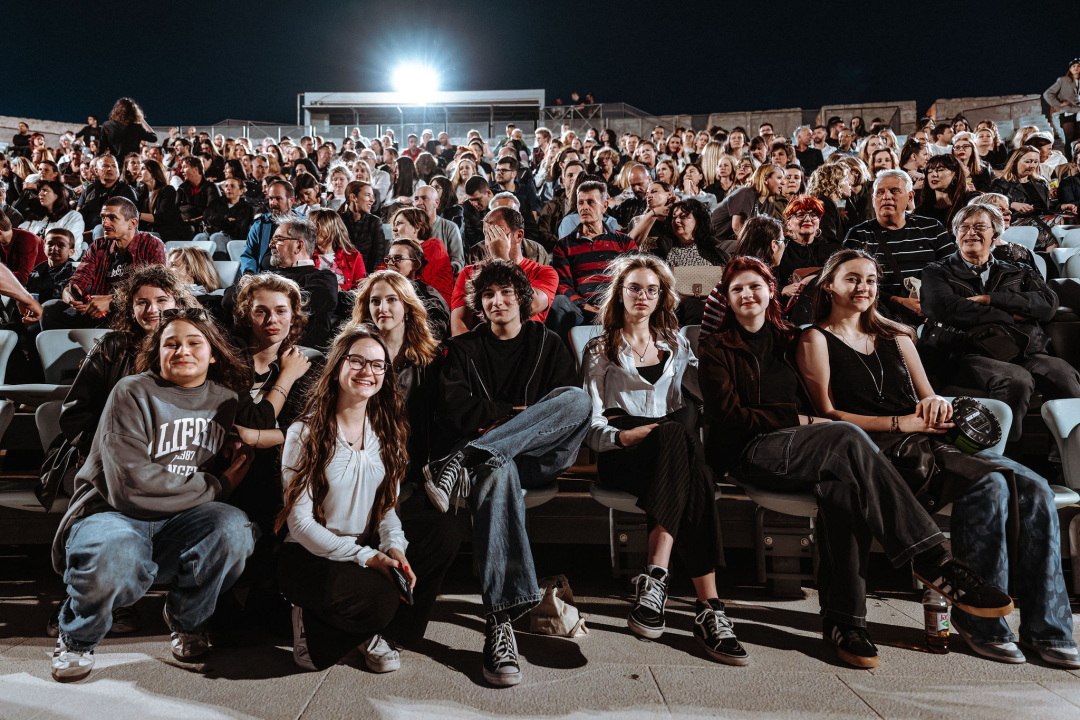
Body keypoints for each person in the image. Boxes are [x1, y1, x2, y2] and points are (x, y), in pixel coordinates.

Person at [697, 255, 1010, 668]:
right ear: (727, 298)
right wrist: (798, 418)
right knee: (845, 436)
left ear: (771, 291)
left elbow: (818, 403)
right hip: (751, 452)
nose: (747, 294)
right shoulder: (716, 347)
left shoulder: (790, 339)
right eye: (737, 289)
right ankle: (932, 559)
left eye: (755, 286)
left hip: (806, 445)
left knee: (841, 487)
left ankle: (845, 622)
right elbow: (732, 419)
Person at [799, 249, 1078, 669]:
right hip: (876, 451)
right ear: (829, 286)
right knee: (991, 484)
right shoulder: (814, 338)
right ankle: (981, 625)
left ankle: (1048, 630)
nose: (864, 288)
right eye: (853, 279)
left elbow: (929, 396)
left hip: (929, 441)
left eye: (871, 280)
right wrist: (901, 423)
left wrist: (934, 409)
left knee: (1035, 488)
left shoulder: (897, 335)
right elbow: (829, 414)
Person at [49, 308, 259, 681]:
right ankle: (77, 639)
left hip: (180, 518)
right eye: (171, 344)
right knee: (115, 551)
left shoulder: (226, 401)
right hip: (112, 511)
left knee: (233, 529)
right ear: (157, 352)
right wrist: (219, 485)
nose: (183, 351)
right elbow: (132, 486)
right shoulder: (131, 391)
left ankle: (188, 622)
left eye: (195, 343)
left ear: (213, 353)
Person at [423, 259, 591, 686]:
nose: (497, 301)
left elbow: (564, 408)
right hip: (494, 466)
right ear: (480, 304)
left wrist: (497, 430)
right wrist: (511, 415)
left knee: (577, 401)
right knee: (497, 469)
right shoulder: (463, 350)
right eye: (488, 295)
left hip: (540, 458)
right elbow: (453, 411)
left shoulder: (548, 343)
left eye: (505, 293)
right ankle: (500, 623)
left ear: (522, 298)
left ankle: (470, 456)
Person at [582, 254, 747, 663]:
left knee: (679, 439)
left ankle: (658, 580)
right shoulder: (600, 346)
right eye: (635, 288)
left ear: (662, 298)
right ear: (620, 293)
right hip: (623, 451)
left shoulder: (675, 343)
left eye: (652, 290)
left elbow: (706, 391)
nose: (643, 296)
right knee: (690, 456)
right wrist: (623, 436)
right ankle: (708, 608)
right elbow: (590, 421)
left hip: (669, 450)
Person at [278, 324, 457, 672]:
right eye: (357, 361)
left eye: (378, 365)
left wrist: (395, 549)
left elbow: (388, 507)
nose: (368, 372)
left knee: (442, 533)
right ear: (337, 366)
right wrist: (369, 558)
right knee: (380, 600)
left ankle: (382, 633)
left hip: (366, 542)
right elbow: (299, 525)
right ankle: (310, 620)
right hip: (311, 554)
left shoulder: (387, 432)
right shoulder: (305, 432)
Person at [920, 204, 1079, 442]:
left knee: (1063, 373)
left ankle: (1068, 449)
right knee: (1016, 380)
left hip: (1022, 347)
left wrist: (990, 299)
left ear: (995, 233)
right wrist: (1010, 315)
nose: (970, 232)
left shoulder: (1019, 270)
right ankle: (1004, 452)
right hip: (965, 352)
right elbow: (945, 308)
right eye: (964, 227)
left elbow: (1047, 304)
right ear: (955, 233)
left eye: (979, 227)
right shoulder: (937, 271)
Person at [349, 270, 443, 483]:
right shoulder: (354, 349)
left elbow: (433, 418)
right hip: (364, 445)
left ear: (407, 305)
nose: (382, 308)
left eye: (392, 299)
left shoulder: (429, 355)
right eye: (375, 301)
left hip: (411, 452)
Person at [843, 170, 953, 324]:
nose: (886, 196)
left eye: (894, 191)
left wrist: (932, 301)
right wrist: (896, 301)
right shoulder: (858, 234)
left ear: (910, 197)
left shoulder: (932, 228)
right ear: (874, 199)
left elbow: (952, 271)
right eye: (880, 192)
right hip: (879, 318)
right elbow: (848, 281)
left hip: (933, 317)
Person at [43, 197, 167, 330]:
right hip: (96, 313)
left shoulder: (151, 244)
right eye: (103, 217)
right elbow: (79, 279)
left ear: (132, 223)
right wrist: (70, 295)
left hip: (132, 314)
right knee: (48, 311)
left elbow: (153, 288)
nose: (105, 223)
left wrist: (111, 301)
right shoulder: (98, 245)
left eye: (112, 218)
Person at [547, 180, 637, 338]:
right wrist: (586, 306)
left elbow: (635, 279)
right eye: (580, 203)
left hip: (619, 306)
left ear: (604, 206)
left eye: (590, 202)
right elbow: (564, 286)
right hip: (581, 310)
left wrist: (614, 305)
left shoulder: (625, 242)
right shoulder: (563, 246)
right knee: (559, 302)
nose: (584, 208)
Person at [229, 218, 338, 348]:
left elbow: (307, 304)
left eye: (278, 240)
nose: (271, 245)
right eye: (272, 240)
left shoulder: (323, 278)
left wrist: (254, 295)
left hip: (302, 352)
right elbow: (229, 297)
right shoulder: (267, 277)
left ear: (299, 245)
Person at [451, 207, 557, 335]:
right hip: (482, 347)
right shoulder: (470, 273)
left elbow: (531, 306)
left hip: (527, 347)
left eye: (499, 233)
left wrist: (502, 259)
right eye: (488, 234)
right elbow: (459, 327)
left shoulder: (544, 272)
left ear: (519, 236)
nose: (492, 241)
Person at [991, 146, 1066, 251]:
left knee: (1058, 225)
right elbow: (991, 205)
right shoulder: (1001, 183)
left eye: (1036, 162)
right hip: (1014, 221)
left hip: (1040, 221)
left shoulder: (1041, 182)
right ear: (1015, 161)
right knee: (1055, 224)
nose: (1032, 166)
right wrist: (1012, 205)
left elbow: (1047, 205)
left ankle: (1046, 261)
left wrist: (1062, 206)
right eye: (1028, 162)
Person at [379, 237, 450, 341]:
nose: (390, 263)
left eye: (397, 258)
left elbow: (435, 334)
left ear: (415, 265)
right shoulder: (379, 290)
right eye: (389, 258)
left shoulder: (430, 298)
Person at [709, 163, 784, 248]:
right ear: (766, 179)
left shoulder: (770, 204)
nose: (783, 182)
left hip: (734, 242)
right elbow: (737, 227)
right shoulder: (746, 193)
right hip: (715, 242)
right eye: (779, 178)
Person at [388, 208, 453, 303]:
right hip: (405, 298)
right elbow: (381, 272)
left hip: (434, 306)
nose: (394, 229)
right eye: (394, 225)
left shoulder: (434, 245)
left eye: (399, 223)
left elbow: (418, 281)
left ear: (416, 227)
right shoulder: (395, 251)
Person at [240, 178, 300, 275]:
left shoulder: (303, 224)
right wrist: (248, 273)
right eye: (271, 198)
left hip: (295, 276)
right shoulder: (259, 225)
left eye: (278, 199)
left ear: (291, 200)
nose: (273, 203)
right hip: (264, 277)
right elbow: (249, 255)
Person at [19, 180, 85, 257]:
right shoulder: (38, 215)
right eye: (40, 191)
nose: (40, 194)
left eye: (45, 191)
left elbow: (66, 242)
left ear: (58, 194)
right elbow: (21, 233)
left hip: (60, 259)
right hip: (32, 256)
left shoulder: (73, 216)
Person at [76, 155, 138, 236]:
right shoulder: (89, 190)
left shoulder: (127, 191)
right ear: (96, 170)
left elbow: (129, 220)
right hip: (85, 230)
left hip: (111, 231)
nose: (110, 169)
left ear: (117, 171)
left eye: (113, 166)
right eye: (105, 166)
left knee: (99, 230)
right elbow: (78, 214)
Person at [308, 208, 366, 293]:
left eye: (317, 226)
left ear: (331, 228)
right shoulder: (306, 256)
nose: (312, 231)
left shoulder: (353, 257)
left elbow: (361, 287)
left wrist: (340, 288)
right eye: (310, 227)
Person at [196, 176, 256, 256]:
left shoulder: (246, 208)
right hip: (212, 233)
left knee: (217, 237)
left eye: (232, 186)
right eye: (226, 186)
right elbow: (207, 217)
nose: (228, 188)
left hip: (234, 239)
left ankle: (220, 263)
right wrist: (227, 219)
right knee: (200, 237)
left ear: (241, 191)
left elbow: (239, 228)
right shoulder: (216, 203)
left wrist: (219, 220)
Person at [338, 180, 386, 277]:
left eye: (372, 196)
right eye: (368, 195)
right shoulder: (337, 220)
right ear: (353, 197)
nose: (372, 200)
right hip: (341, 274)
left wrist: (370, 278)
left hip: (366, 276)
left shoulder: (375, 222)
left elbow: (379, 256)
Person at [413, 185, 464, 272]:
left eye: (424, 198)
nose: (419, 203)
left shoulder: (450, 228)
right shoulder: (409, 227)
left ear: (437, 203)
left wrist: (439, 268)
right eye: (416, 199)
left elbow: (458, 262)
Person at [135, 158, 186, 242]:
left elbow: (162, 218)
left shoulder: (168, 190)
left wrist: (137, 214)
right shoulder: (142, 194)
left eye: (143, 169)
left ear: (153, 172)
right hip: (151, 234)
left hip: (167, 235)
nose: (138, 172)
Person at [26, 229, 77, 304]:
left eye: (60, 245)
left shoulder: (76, 275)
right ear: (44, 248)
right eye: (50, 244)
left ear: (71, 252)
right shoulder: (35, 272)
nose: (54, 248)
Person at [1044, 59, 1080, 161]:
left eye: (1078, 66)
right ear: (1070, 69)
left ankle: (1078, 160)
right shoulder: (1062, 80)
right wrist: (1059, 104)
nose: (1076, 68)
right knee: (1069, 137)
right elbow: (1047, 94)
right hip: (1067, 111)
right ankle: (1069, 161)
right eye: (1074, 66)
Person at [806, 163, 853, 242]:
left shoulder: (828, 203)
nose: (850, 183)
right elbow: (829, 240)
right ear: (834, 183)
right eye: (845, 180)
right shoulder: (826, 204)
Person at [176, 157, 221, 239]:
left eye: (185, 167)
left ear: (196, 169)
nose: (181, 170)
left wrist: (191, 221)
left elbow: (212, 213)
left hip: (202, 228)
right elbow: (174, 209)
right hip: (181, 226)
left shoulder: (210, 188)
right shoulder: (181, 189)